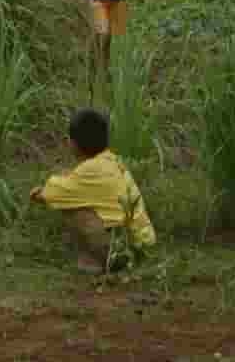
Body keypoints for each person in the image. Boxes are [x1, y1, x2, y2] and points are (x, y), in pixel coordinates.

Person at [29, 108, 156, 274]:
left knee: (73, 208)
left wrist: (38, 193)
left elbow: (52, 194)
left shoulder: (89, 170)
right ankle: (111, 258)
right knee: (76, 199)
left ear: (72, 143)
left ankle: (97, 261)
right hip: (142, 246)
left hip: (122, 249)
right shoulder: (113, 162)